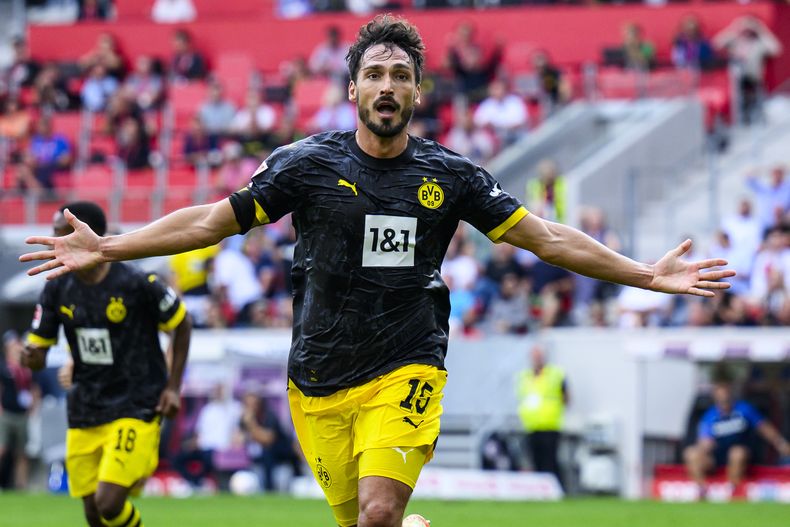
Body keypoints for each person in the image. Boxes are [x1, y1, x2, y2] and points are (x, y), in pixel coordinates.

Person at [20, 15, 734, 527]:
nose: (387, 86)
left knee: (378, 512)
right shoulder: (307, 165)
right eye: (374, 75)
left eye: (400, 75)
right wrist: (109, 247)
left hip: (407, 365)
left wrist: (646, 276)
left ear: (418, 91)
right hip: (317, 379)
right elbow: (211, 220)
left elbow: (545, 239)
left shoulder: (451, 176)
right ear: (353, 90)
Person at [21, 201, 191, 527]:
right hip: (85, 407)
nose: (54, 242)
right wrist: (29, 356)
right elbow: (38, 353)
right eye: (53, 233)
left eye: (62, 234)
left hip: (136, 403)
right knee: (93, 514)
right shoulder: (56, 288)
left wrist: (173, 387)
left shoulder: (137, 283)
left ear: (88, 234)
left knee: (109, 503)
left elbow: (182, 324)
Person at [683, 375, 790, 498]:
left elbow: (763, 427)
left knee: (736, 453)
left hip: (741, 453)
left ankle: (733, 491)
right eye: (721, 399)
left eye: (726, 398)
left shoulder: (744, 409)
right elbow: (703, 439)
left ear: (731, 396)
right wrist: (705, 445)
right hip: (716, 456)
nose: (724, 402)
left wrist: (780, 443)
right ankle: (701, 490)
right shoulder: (710, 415)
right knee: (691, 453)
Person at [516, 344, 568, 488]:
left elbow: (566, 397)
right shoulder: (525, 376)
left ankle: (558, 490)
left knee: (551, 462)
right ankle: (541, 490)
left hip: (550, 425)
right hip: (531, 425)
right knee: (536, 461)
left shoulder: (555, 374)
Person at [239, 390, 303, 492]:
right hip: (258, 451)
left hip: (282, 448)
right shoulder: (243, 418)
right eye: (248, 404)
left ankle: (269, 488)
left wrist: (251, 425)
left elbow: (268, 439)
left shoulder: (269, 416)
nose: (251, 407)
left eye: (254, 404)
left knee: (267, 453)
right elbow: (237, 438)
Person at [0, 330, 34, 490]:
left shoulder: (26, 368)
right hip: (5, 414)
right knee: (2, 448)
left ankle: (21, 485)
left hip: (22, 414)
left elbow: (34, 389)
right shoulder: (3, 367)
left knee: (22, 452)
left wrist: (32, 407)